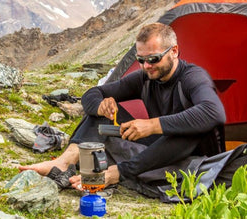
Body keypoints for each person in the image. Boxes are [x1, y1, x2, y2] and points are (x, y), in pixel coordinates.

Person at [19, 23, 226, 192]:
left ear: (174, 51)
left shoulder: (193, 77)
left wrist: (152, 125)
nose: (147, 66)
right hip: (161, 147)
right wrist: (101, 106)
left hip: (195, 153)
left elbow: (213, 112)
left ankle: (114, 174)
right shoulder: (145, 77)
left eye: (153, 59)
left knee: (185, 131)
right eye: (141, 60)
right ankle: (64, 163)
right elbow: (92, 93)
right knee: (106, 112)